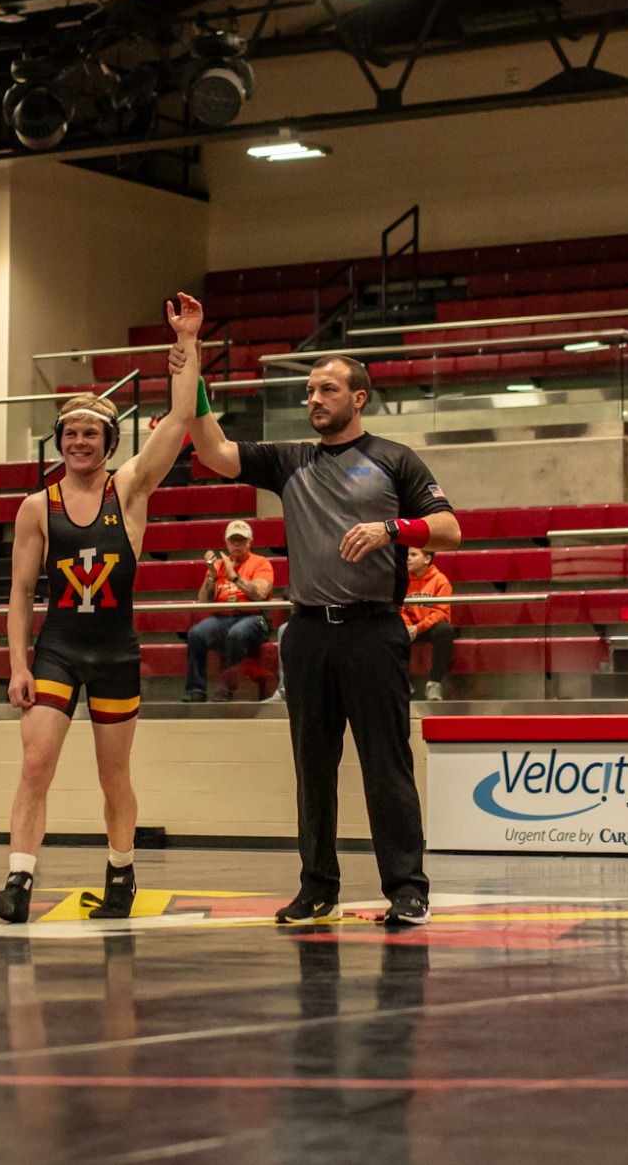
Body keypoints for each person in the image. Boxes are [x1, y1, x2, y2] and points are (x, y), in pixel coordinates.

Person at [182, 351, 460, 928]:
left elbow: (449, 529)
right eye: (309, 390)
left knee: (387, 764)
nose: (314, 399)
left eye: (327, 389)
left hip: (373, 630)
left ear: (358, 398)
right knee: (312, 767)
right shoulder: (290, 459)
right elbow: (214, 452)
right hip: (307, 631)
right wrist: (194, 376)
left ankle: (408, 890)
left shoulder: (394, 459)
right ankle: (317, 889)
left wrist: (392, 529)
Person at [0, 292, 204, 925]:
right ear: (59, 441)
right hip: (56, 650)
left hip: (114, 654)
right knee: (35, 764)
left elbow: (180, 418)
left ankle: (121, 871)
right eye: (71, 433)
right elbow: (20, 594)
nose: (80, 441)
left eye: (91, 433)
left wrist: (186, 343)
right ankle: (18, 882)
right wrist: (17, 665)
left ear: (109, 441)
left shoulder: (129, 489)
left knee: (114, 777)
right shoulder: (36, 507)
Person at [185, 518, 275, 701]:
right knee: (196, 634)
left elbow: (259, 593)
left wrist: (233, 576)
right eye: (233, 540)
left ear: (249, 542)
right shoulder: (218, 566)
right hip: (222, 617)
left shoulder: (261, 563)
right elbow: (204, 599)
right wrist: (211, 576)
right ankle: (196, 690)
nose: (236, 544)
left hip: (252, 617)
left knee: (237, 633)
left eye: (241, 540)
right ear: (226, 543)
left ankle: (226, 690)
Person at [402, 547, 455, 702]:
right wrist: (408, 626)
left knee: (445, 630)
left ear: (427, 559)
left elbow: (441, 613)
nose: (408, 558)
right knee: (388, 631)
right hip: (409, 626)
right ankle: (404, 685)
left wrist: (418, 628)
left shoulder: (440, 580)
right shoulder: (402, 580)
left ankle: (434, 684)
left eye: (413, 555)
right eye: (407, 555)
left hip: (428, 627)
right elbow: (399, 609)